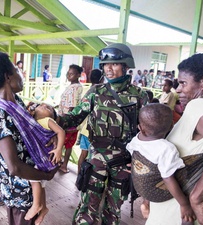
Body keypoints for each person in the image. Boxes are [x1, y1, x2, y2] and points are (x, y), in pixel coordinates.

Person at [57, 43, 148, 225]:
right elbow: (72, 119)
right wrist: (51, 118)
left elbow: (148, 133)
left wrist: (142, 161)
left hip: (123, 162)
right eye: (106, 65)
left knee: (113, 211)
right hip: (97, 158)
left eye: (114, 64)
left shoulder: (140, 96)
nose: (108, 69)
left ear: (126, 66)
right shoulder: (95, 93)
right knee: (88, 208)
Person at [0, 51, 59, 225]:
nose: (21, 75)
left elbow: (31, 133)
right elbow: (14, 167)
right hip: (19, 192)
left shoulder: (17, 102)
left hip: (32, 183)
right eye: (17, 70)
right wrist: (46, 176)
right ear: (8, 76)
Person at [145, 53, 203, 225]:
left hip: (179, 214)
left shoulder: (200, 105)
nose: (178, 89)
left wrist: (197, 197)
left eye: (183, 83)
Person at [126, 103, 196, 224]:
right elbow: (168, 178)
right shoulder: (166, 149)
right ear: (171, 126)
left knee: (151, 171)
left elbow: (132, 152)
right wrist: (184, 204)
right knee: (184, 177)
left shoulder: (137, 138)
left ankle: (146, 202)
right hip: (156, 193)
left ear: (140, 128)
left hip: (140, 185)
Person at [25, 102, 65, 222]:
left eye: (49, 108)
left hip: (44, 158)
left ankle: (36, 205)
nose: (44, 106)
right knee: (41, 185)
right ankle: (44, 208)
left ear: (51, 116)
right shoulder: (33, 120)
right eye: (41, 105)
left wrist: (58, 149)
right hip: (41, 157)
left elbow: (61, 132)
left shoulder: (47, 120)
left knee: (33, 179)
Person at [58, 64, 83, 173]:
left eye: (72, 74)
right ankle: (64, 165)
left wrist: (65, 122)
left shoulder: (75, 87)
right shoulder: (75, 86)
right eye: (68, 73)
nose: (69, 75)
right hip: (74, 122)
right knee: (68, 145)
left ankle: (58, 163)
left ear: (78, 75)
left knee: (60, 142)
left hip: (67, 121)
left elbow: (72, 106)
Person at [77, 69, 103, 172]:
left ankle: (79, 178)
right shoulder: (101, 93)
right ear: (102, 79)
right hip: (95, 132)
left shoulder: (86, 90)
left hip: (84, 130)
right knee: (95, 158)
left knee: (83, 154)